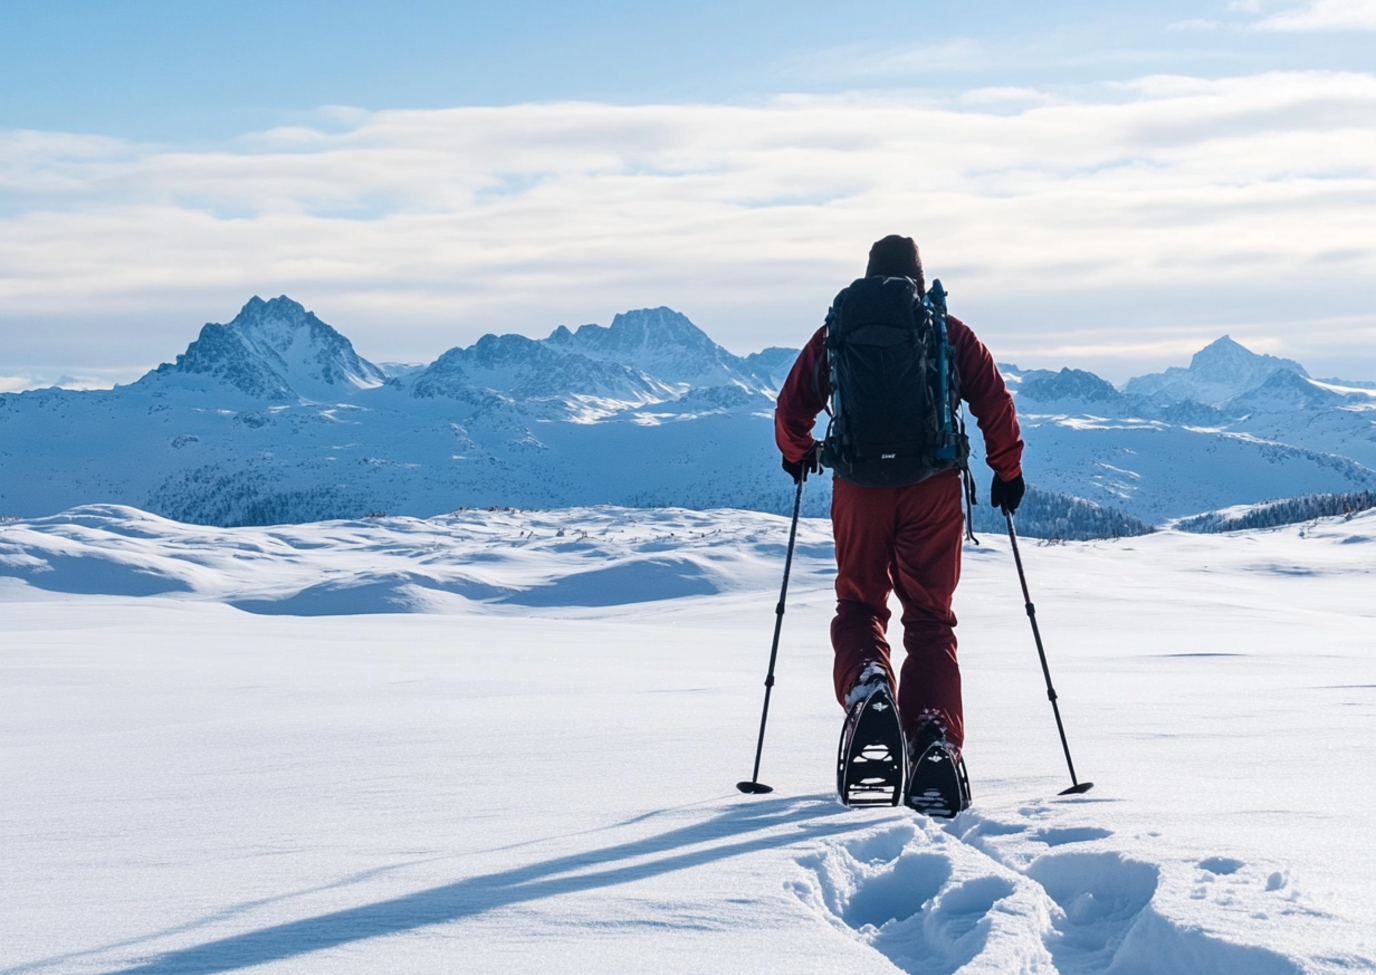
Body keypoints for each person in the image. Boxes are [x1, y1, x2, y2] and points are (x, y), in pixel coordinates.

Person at [774, 234, 1025, 810]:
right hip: (932, 488)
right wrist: (1006, 472)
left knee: (860, 605)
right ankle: (934, 733)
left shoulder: (837, 331)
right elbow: (994, 403)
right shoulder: (945, 330)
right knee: (931, 620)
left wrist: (798, 454)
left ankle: (868, 690)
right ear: (918, 277)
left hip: (859, 490)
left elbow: (791, 411)